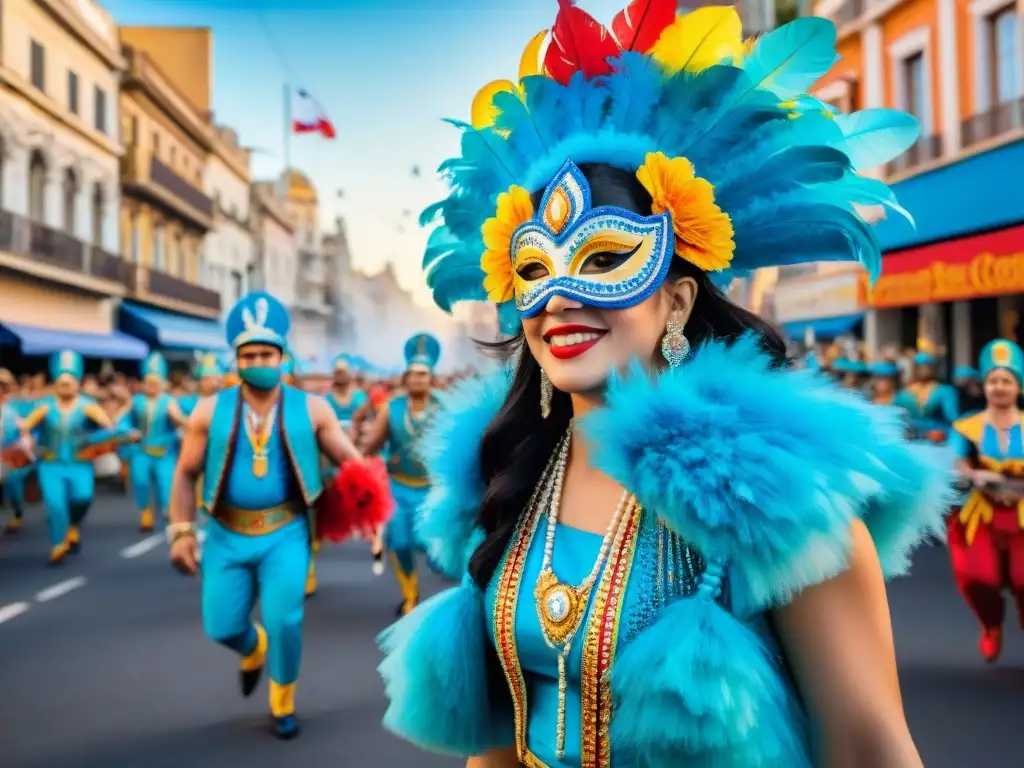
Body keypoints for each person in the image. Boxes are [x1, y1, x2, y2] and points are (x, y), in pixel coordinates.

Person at [377, 5, 952, 766]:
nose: (559, 298)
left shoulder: (772, 502)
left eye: (606, 258)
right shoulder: (506, 476)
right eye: (535, 270)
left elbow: (869, 745)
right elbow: (502, 734)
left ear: (676, 300)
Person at [166, 291, 383, 740]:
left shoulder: (313, 408)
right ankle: (253, 648)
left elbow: (352, 463)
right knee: (221, 626)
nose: (258, 360)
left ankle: (282, 701)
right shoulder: (208, 411)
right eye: (249, 355)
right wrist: (181, 532)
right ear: (236, 361)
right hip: (225, 534)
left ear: (282, 357)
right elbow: (185, 473)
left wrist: (373, 515)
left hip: (286, 533)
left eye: (266, 353)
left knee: (286, 619)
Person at [948, 340, 1024, 663]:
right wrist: (973, 474)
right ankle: (991, 625)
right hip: (983, 513)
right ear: (984, 385)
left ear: (1018, 386)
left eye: (1007, 380)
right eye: (994, 380)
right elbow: (955, 460)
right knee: (980, 577)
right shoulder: (968, 426)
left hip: (1021, 514)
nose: (1000, 387)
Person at [360, 333, 441, 614]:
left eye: (423, 374)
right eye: (413, 374)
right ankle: (410, 594)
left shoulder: (444, 407)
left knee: (429, 546)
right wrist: (359, 462)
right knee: (400, 541)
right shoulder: (390, 409)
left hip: (433, 489)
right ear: (405, 378)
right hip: (397, 487)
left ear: (431, 377)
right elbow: (370, 445)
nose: (418, 379)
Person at [18, 351, 122, 564]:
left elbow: (109, 426)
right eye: (61, 382)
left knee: (82, 498)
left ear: (77, 383)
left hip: (79, 463)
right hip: (51, 464)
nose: (65, 386)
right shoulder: (44, 406)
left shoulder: (88, 406)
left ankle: (73, 524)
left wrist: (116, 434)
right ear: (55, 383)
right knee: (55, 505)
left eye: (69, 382)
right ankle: (59, 544)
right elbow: (25, 428)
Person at [121, 353, 188, 532]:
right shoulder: (136, 401)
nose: (152, 386)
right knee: (140, 481)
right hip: (142, 450)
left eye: (155, 382)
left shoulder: (168, 401)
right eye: (149, 382)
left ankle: (167, 509)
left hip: (164, 452)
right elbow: (122, 419)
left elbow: (178, 419)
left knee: (166, 483)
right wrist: (127, 430)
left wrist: (185, 423)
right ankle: (145, 511)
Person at [895, 347, 958, 443]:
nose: (924, 369)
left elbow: (954, 420)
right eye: (920, 366)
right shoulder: (903, 394)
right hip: (911, 441)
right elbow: (896, 420)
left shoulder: (944, 391)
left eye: (927, 366)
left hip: (938, 440)